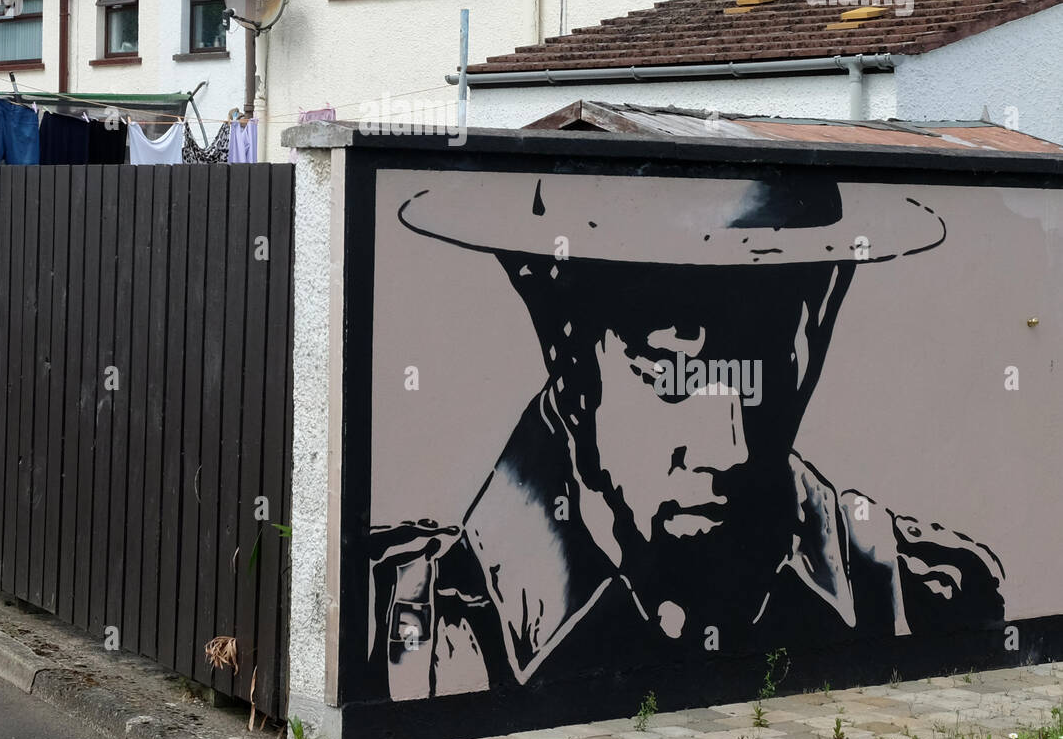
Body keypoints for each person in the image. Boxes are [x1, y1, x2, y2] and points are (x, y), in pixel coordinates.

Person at [369, 172, 1005, 702]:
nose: (726, 449)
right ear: (566, 351)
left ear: (816, 333)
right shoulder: (390, 633)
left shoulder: (930, 596)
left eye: (764, 359)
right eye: (669, 370)